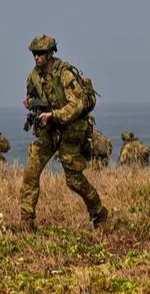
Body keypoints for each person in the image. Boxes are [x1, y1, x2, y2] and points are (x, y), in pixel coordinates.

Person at [16, 34, 107, 232]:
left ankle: (99, 212)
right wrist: (33, 107)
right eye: (34, 54)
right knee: (31, 171)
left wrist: (54, 115)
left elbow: (78, 104)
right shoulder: (34, 76)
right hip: (50, 129)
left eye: (40, 53)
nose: (37, 57)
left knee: (73, 180)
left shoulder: (64, 74)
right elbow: (31, 96)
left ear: (50, 54)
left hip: (71, 129)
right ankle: (26, 222)